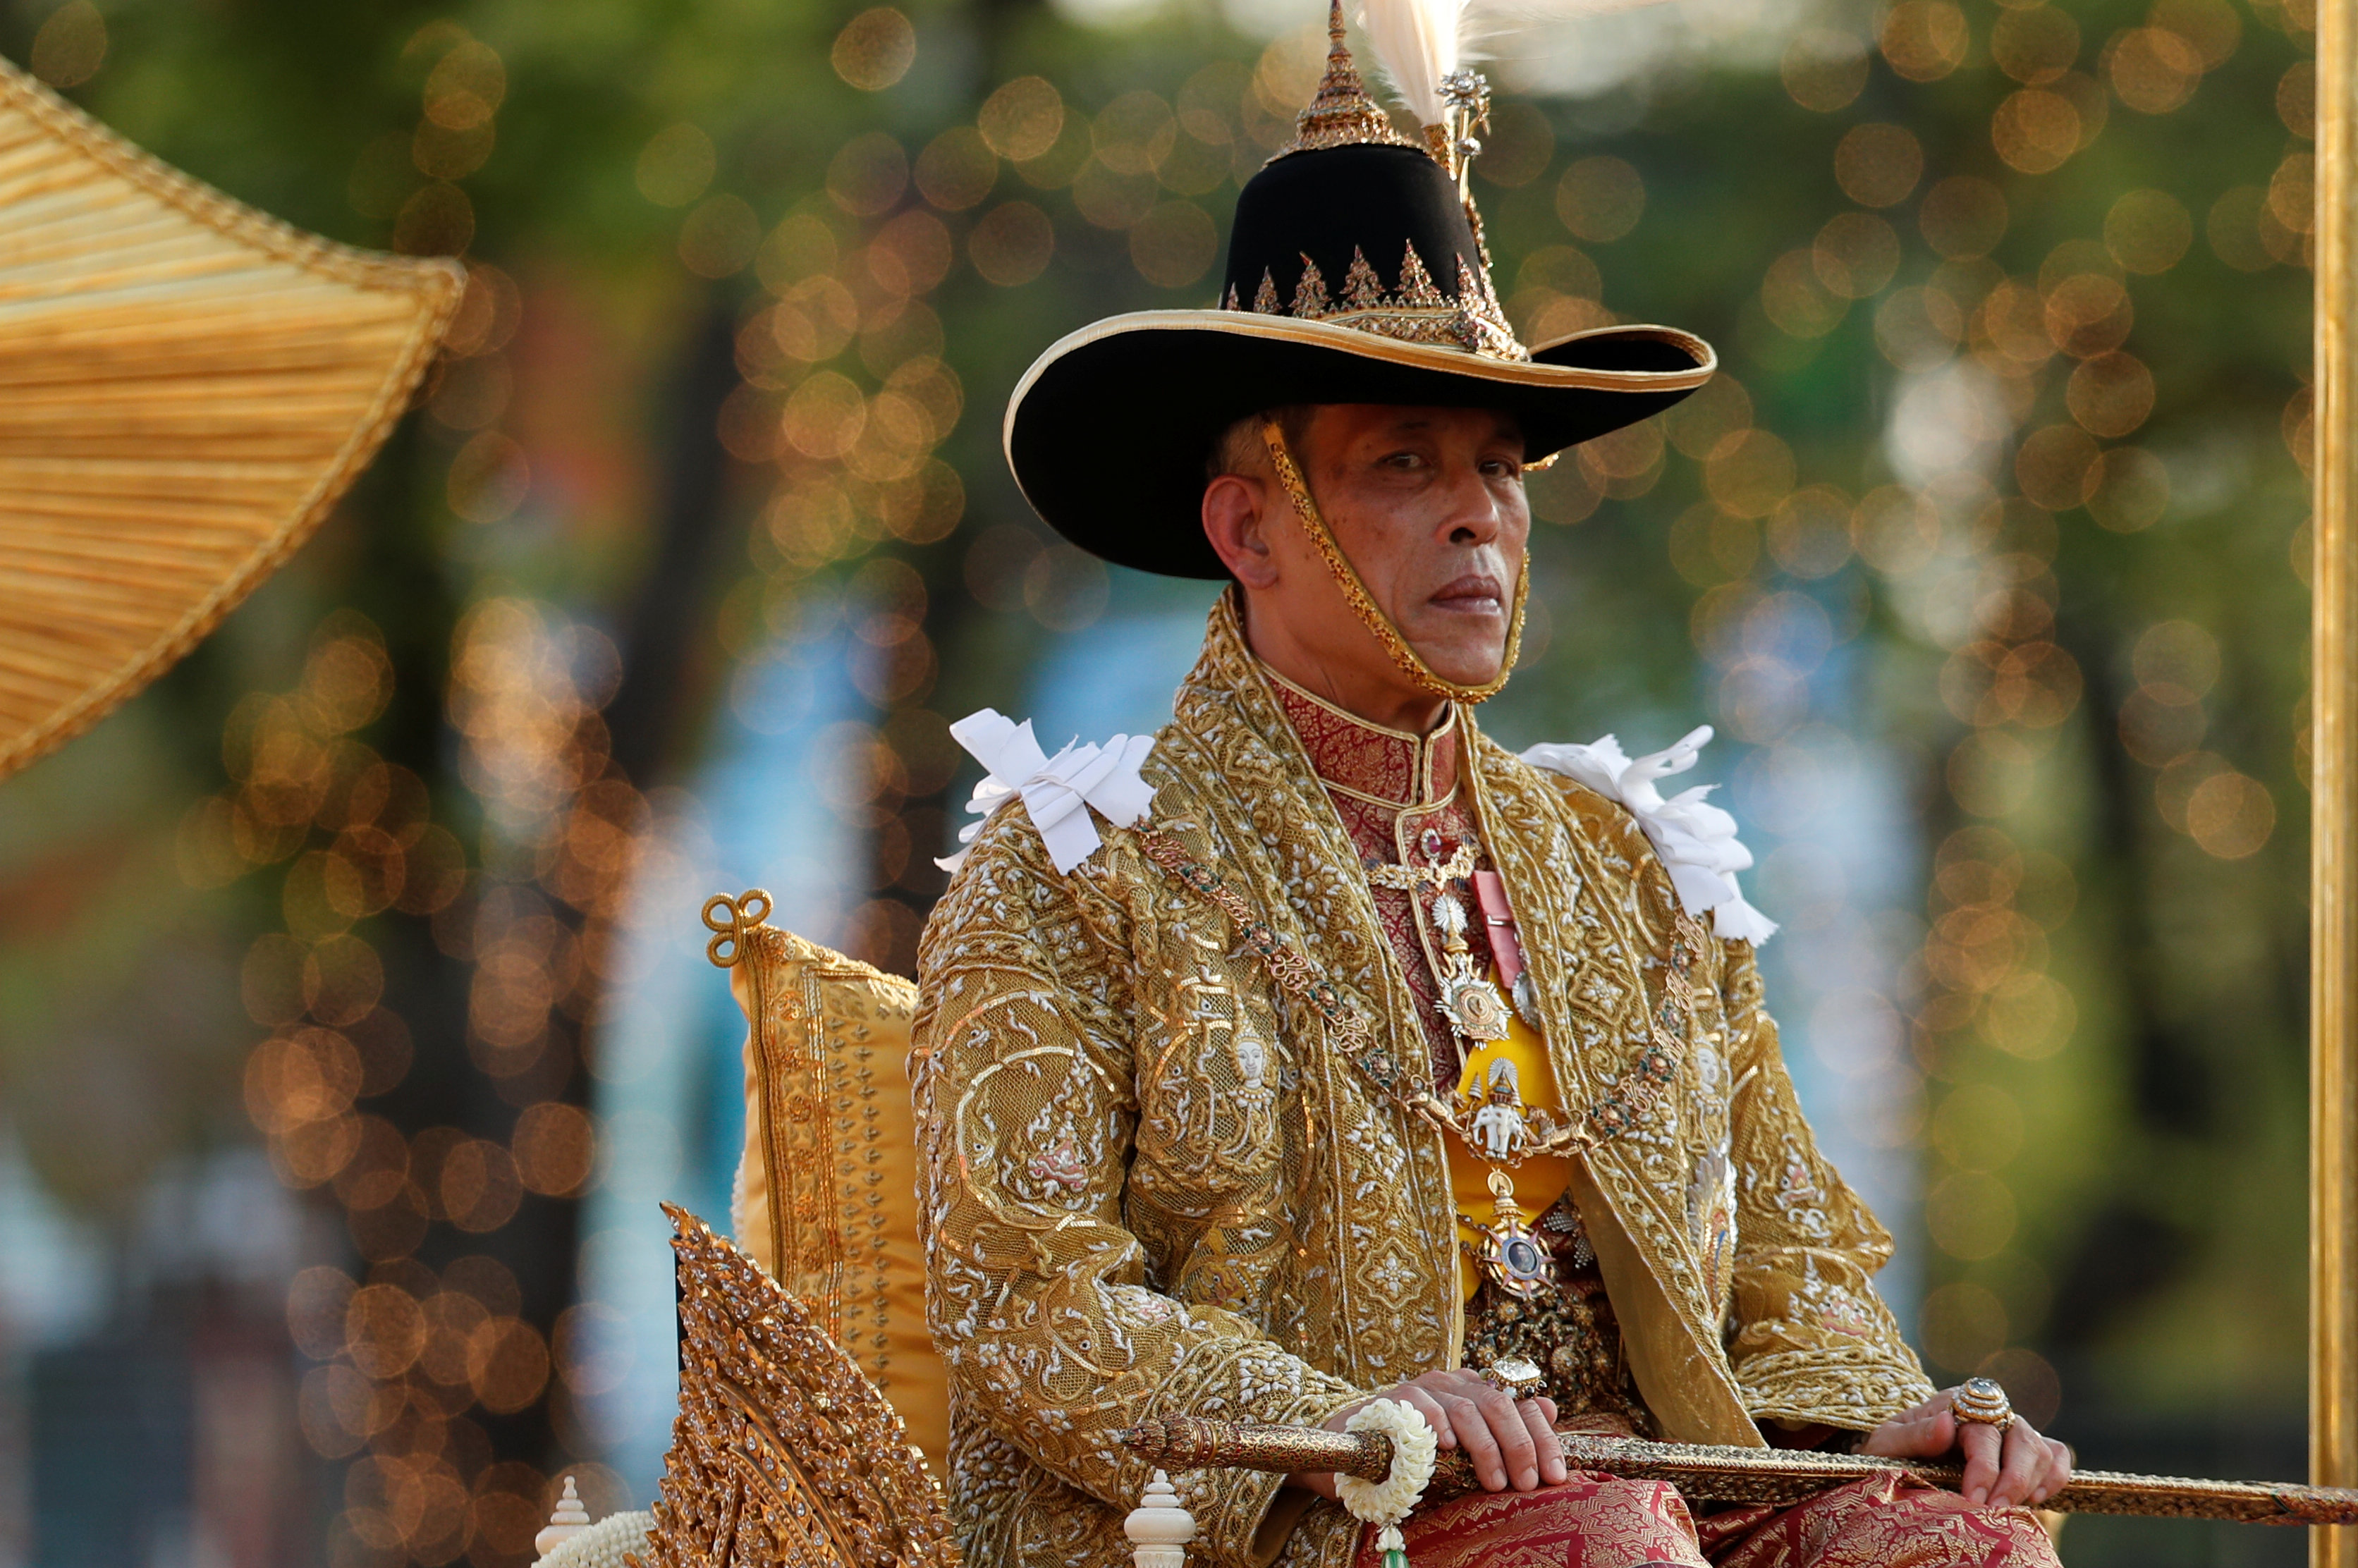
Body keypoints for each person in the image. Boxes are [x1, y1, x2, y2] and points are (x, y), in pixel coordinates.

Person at [912, 9, 2071, 1565]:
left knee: (1957, 1547)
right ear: (1252, 530)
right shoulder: (1072, 869)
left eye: (1502, 470)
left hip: (1645, 1505)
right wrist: (1349, 1418)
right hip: (1300, 1523)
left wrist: (1896, 1413)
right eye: (1405, 463)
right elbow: (1024, 1298)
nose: (1478, 520)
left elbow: (1789, 1267)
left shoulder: (1633, 859)